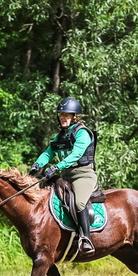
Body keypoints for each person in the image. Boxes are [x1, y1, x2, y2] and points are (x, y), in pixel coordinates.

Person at [30, 97, 98, 255]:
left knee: (79, 202)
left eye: (67, 115)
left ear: (75, 117)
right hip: (66, 176)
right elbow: (48, 153)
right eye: (61, 115)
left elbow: (75, 155)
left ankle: (85, 238)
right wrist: (37, 164)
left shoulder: (82, 133)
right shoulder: (60, 136)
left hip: (83, 175)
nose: (63, 118)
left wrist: (56, 167)